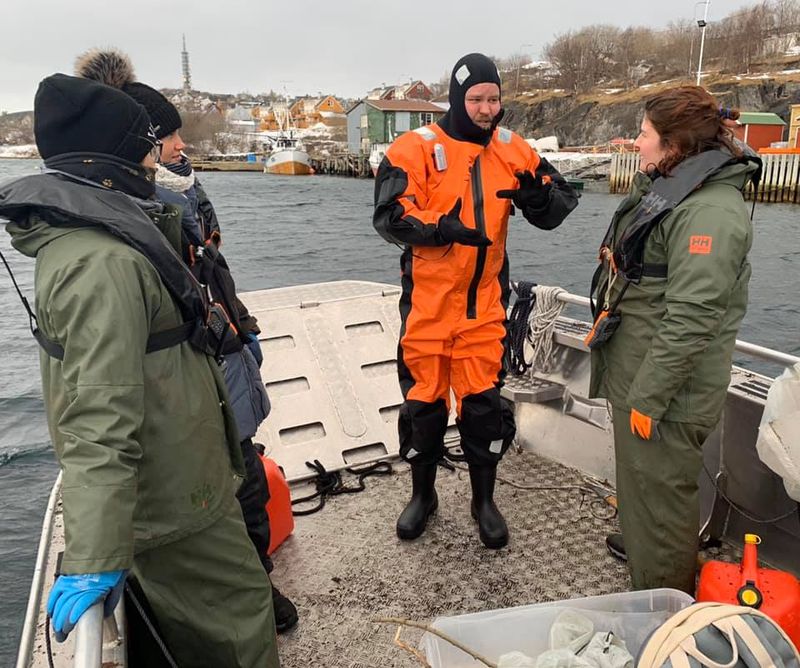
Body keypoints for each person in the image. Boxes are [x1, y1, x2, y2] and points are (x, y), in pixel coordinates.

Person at [0, 74, 280, 666]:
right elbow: (100, 410)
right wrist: (96, 553)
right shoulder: (100, 262)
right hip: (173, 500)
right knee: (239, 621)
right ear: (114, 158)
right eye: (146, 147)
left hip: (187, 478)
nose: (157, 159)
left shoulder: (105, 237)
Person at [74, 47, 298, 632]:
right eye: (167, 138)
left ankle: (257, 585)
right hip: (191, 384)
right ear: (142, 144)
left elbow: (213, 272)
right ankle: (240, 597)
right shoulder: (133, 218)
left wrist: (242, 328)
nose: (179, 147)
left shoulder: (182, 195)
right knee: (226, 492)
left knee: (245, 480)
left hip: (223, 362)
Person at [373, 53, 578, 549]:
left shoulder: (512, 148)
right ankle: (423, 495)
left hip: (484, 307)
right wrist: (439, 228)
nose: (487, 109)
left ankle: (483, 500)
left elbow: (560, 201)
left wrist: (538, 201)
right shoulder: (414, 149)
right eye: (477, 99)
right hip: (426, 306)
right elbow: (388, 216)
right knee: (423, 406)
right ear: (457, 100)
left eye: (494, 98)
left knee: (483, 408)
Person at [587, 86, 761, 594]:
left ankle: (664, 597)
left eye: (644, 135)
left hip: (665, 392)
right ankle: (644, 544)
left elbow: (692, 315)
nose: (636, 144)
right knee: (643, 488)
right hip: (641, 370)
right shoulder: (673, 185)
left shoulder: (711, 213)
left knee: (663, 499)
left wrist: (649, 396)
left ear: (676, 145)